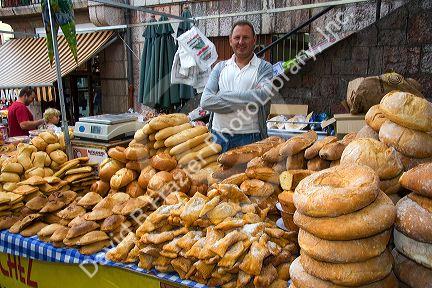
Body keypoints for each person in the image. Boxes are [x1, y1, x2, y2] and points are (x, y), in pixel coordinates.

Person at [200, 20, 274, 152]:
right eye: (237, 38)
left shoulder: (264, 68)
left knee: (249, 173)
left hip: (250, 137)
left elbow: (262, 96)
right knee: (215, 173)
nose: (241, 42)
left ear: (254, 40)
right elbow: (205, 101)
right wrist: (248, 101)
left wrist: (222, 95)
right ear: (230, 40)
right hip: (218, 136)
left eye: (245, 37)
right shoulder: (219, 67)